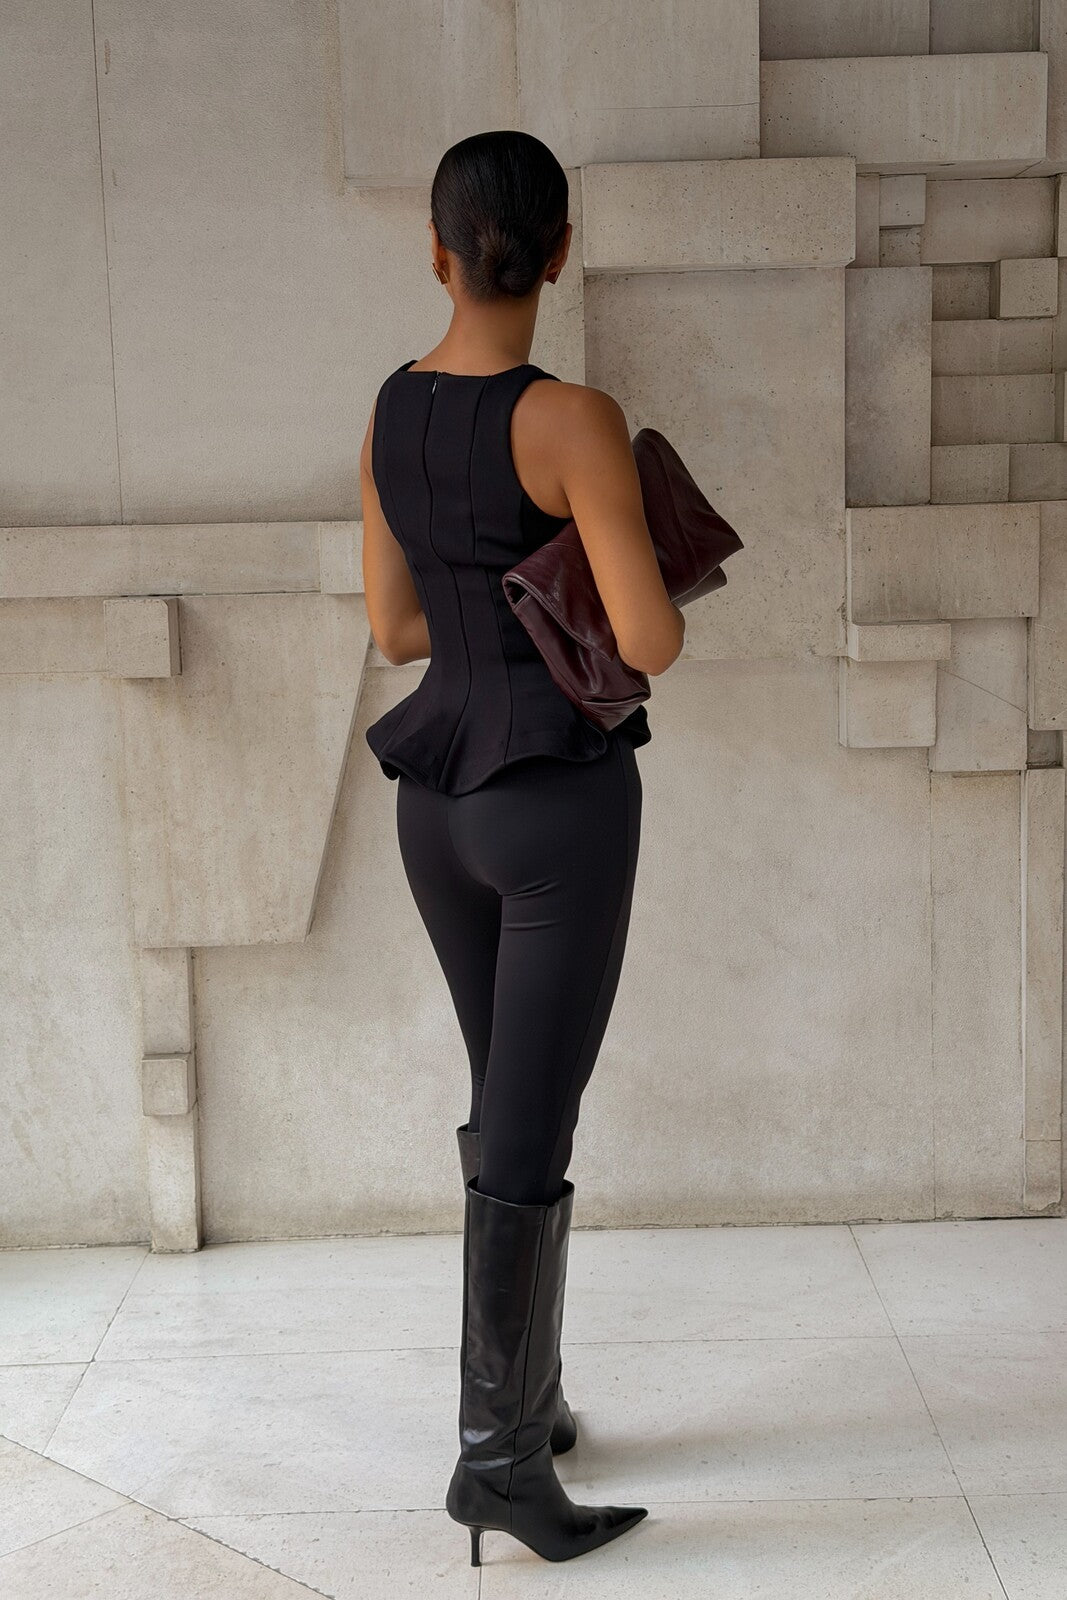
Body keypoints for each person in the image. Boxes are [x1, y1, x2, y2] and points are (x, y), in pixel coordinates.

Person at [359, 129, 684, 1566]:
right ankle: (495, 1462)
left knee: (509, 1104)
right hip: (555, 809)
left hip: (435, 807)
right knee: (533, 1124)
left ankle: (526, 1407)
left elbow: (397, 630)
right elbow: (650, 639)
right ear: (558, 252)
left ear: (436, 251)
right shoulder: (573, 421)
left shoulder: (389, 411)